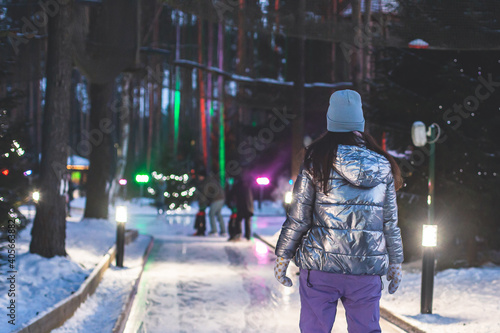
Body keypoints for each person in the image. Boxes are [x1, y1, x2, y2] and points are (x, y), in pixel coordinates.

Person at [274, 90, 404, 333]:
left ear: (330, 121)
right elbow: (390, 222)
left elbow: (298, 218)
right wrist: (395, 261)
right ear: (360, 123)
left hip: (320, 267)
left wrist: (283, 255)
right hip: (365, 270)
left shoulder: (316, 161)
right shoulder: (383, 165)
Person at [197, 170, 227, 236]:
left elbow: (205, 194)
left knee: (211, 214)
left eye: (199, 176)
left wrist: (201, 203)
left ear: (202, 176)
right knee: (218, 214)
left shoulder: (206, 182)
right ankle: (223, 231)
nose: (199, 178)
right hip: (221, 198)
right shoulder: (211, 180)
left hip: (217, 199)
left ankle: (214, 231)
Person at [228, 174, 254, 241]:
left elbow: (231, 194)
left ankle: (238, 234)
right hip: (248, 206)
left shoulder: (237, 186)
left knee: (238, 220)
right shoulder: (248, 186)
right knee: (247, 221)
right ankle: (247, 236)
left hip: (241, 206)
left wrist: (230, 203)